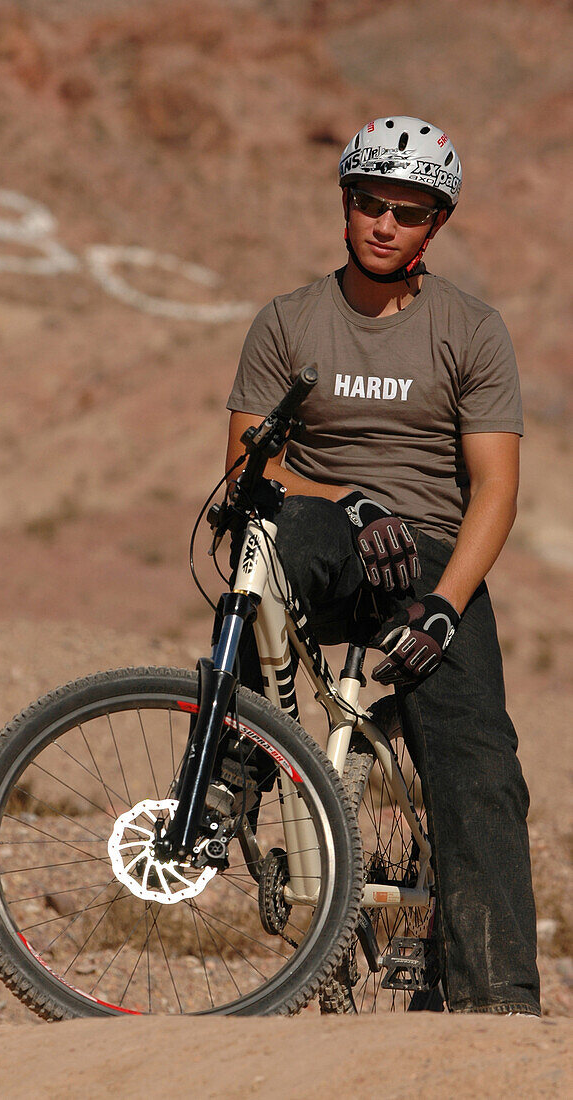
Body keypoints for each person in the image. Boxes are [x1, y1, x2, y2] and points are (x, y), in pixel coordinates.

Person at [224, 116, 540, 1016]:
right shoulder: (288, 322)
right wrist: (350, 499)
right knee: (272, 539)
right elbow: (250, 463)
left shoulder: (471, 331)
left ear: (433, 226)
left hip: (433, 562)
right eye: (369, 203)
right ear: (346, 203)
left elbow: (494, 490)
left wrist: (442, 605)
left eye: (408, 212)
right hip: (327, 533)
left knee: (481, 763)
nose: (384, 224)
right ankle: (229, 774)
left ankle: (498, 1008)